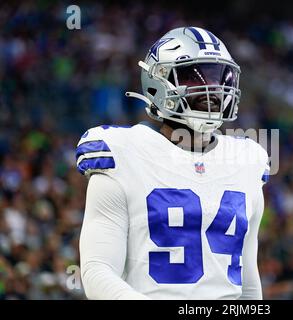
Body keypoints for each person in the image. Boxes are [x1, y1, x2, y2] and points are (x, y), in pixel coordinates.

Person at [77, 27, 269, 299]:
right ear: (158, 83)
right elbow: (97, 271)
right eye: (193, 76)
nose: (212, 88)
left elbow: (248, 283)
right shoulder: (122, 154)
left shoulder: (248, 162)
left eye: (218, 77)